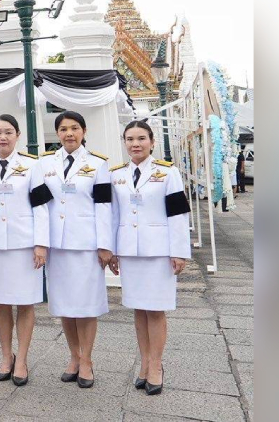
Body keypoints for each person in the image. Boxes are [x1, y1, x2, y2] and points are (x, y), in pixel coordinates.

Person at [106, 120, 191, 396]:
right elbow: (114, 216)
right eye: (130, 139)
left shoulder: (168, 173)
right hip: (129, 251)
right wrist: (113, 250)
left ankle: (156, 365)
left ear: (152, 142)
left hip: (158, 251)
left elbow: (178, 213)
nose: (135, 144)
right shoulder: (117, 174)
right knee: (139, 309)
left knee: (155, 309)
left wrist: (179, 251)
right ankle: (143, 363)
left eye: (141, 138)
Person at [36, 111, 113, 389]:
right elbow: (40, 206)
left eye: (75, 128)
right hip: (57, 245)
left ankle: (88, 360)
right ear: (57, 133)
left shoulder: (98, 164)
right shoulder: (44, 163)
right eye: (64, 129)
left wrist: (105, 245)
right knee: (65, 306)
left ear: (84, 131)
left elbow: (104, 206)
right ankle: (74, 357)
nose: (69, 134)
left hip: (86, 245)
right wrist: (41, 242)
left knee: (86, 305)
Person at [0, 113, 50, 387]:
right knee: (1, 303)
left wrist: (41, 243)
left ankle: (24, 359)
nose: (2, 137)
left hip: (24, 245)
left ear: (17, 135)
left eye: (8, 132)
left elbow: (41, 207)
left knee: (25, 302)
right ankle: (6, 357)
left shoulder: (32, 166)